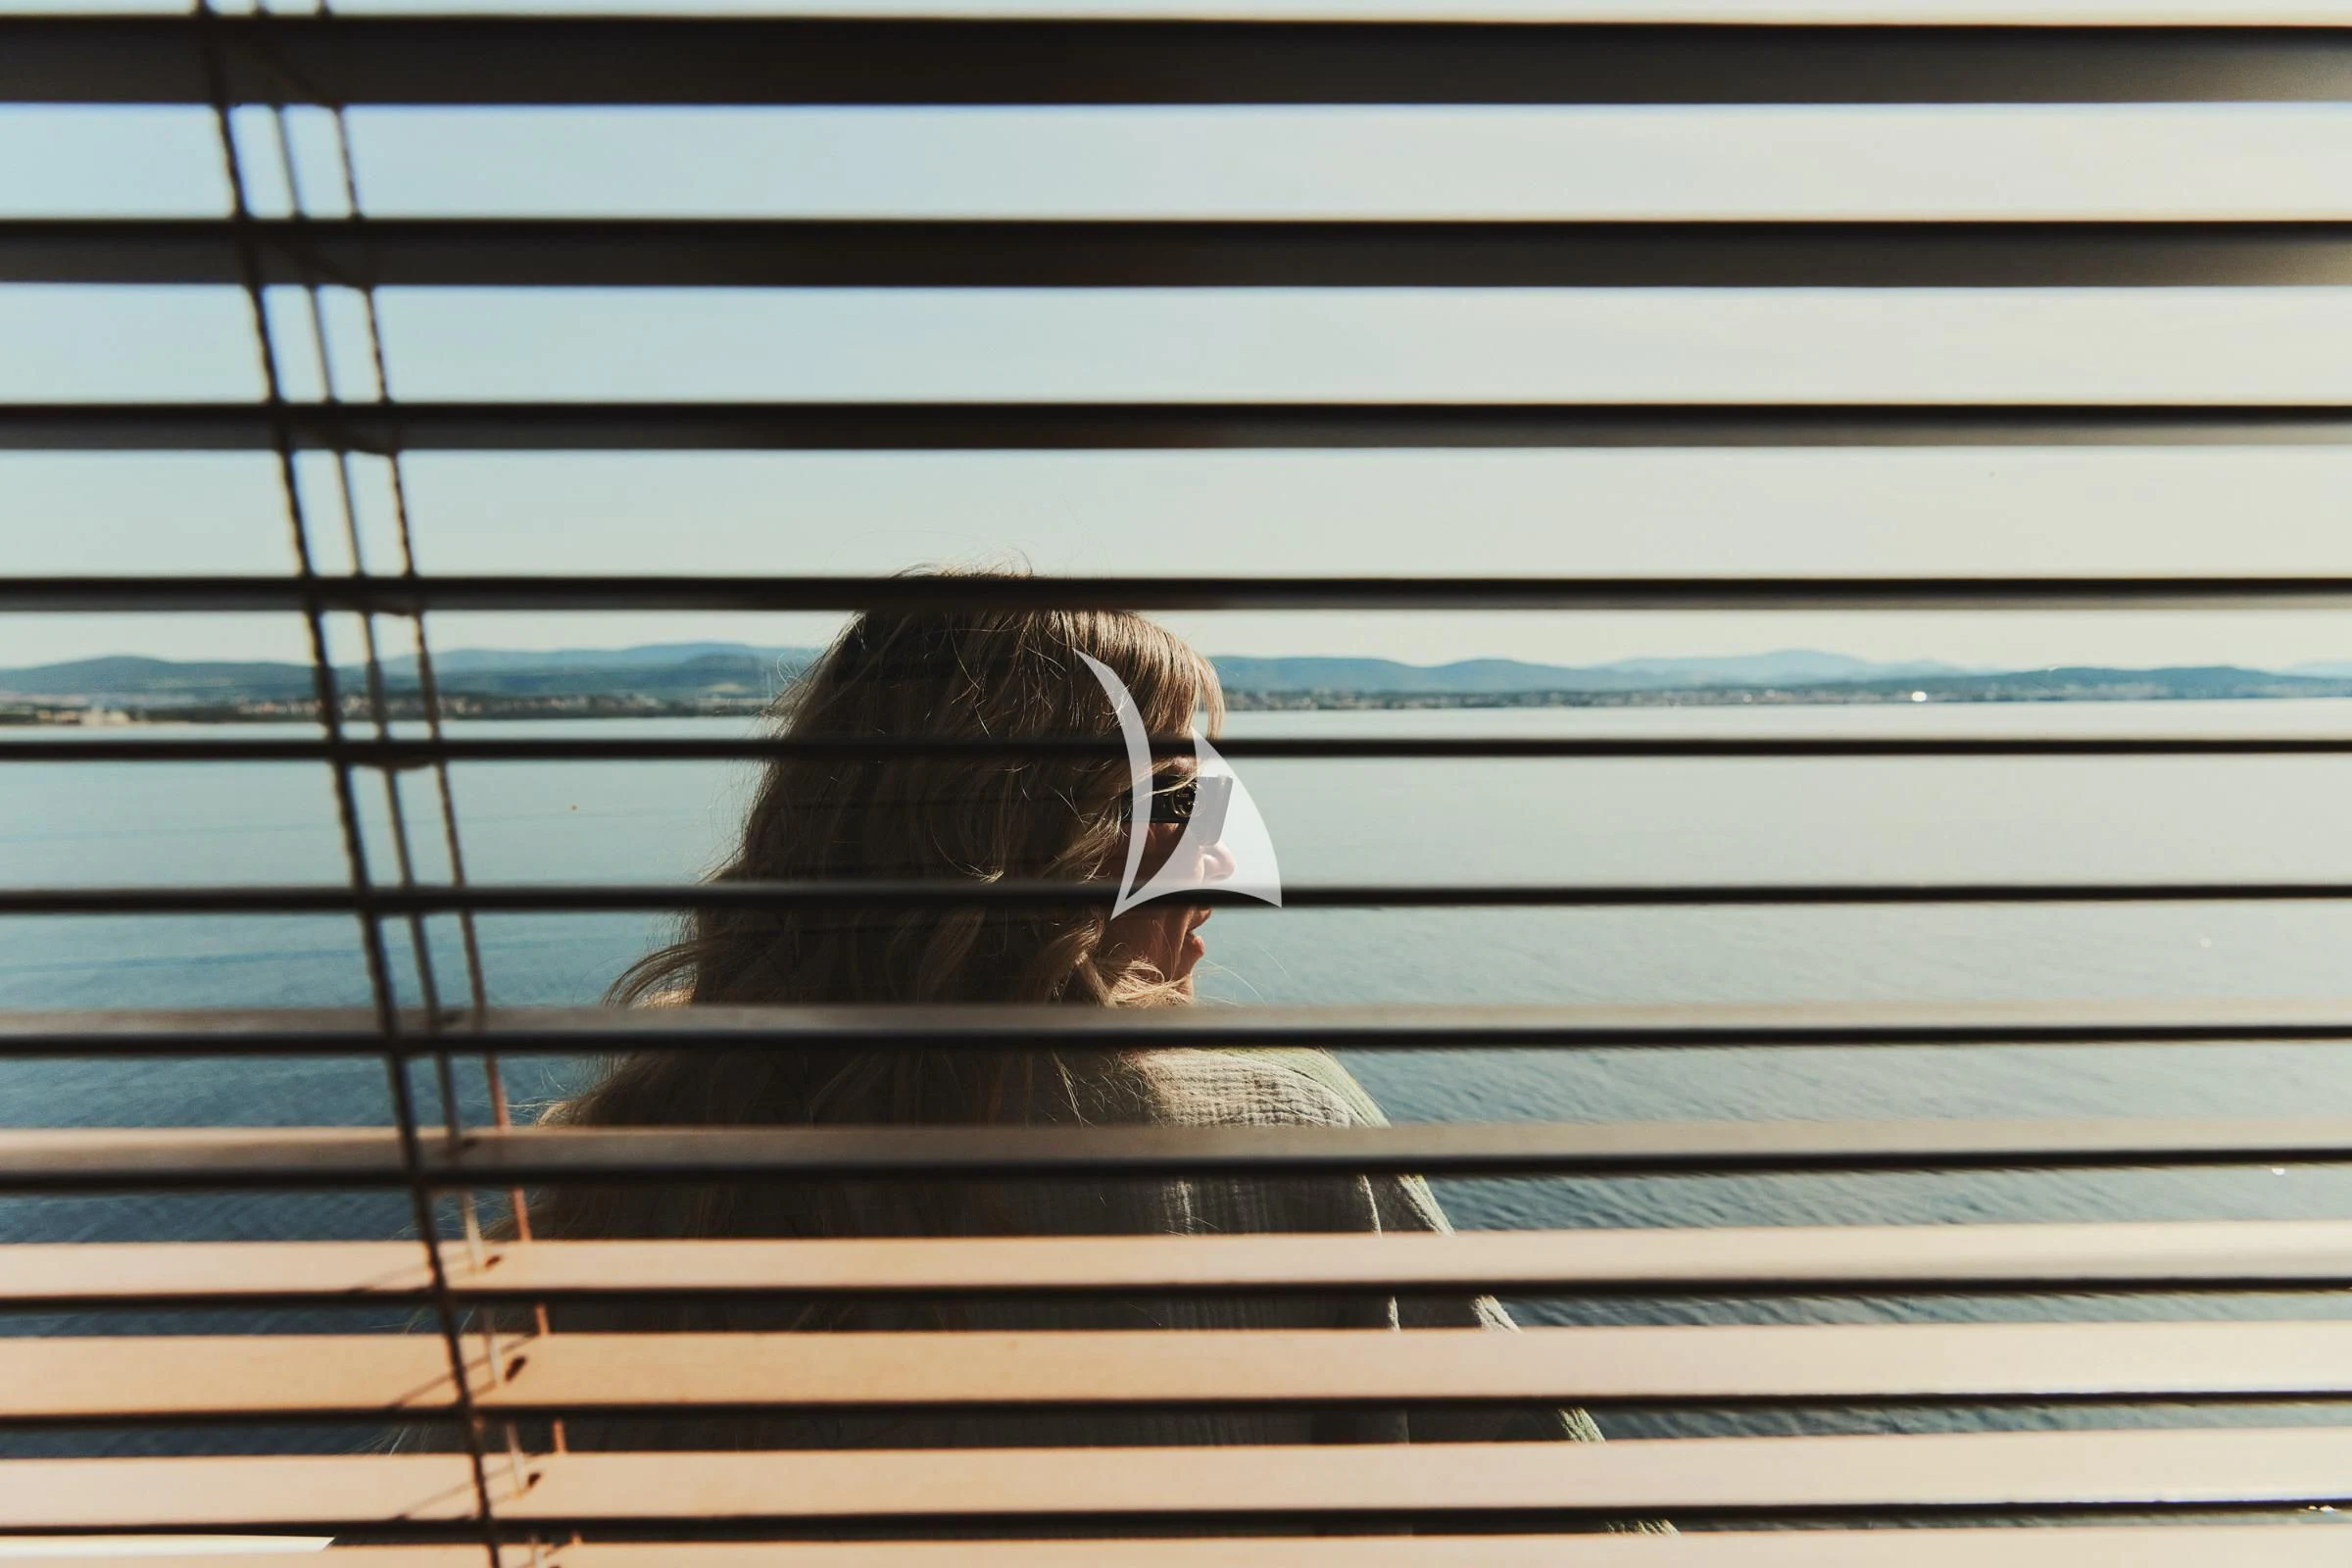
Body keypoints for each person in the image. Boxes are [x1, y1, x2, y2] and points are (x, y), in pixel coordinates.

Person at [524, 578, 1645, 1486]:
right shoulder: (1279, 1135)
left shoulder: (628, 1162)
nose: (1217, 866)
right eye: (1168, 806)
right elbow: (1554, 1492)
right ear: (1028, 845)